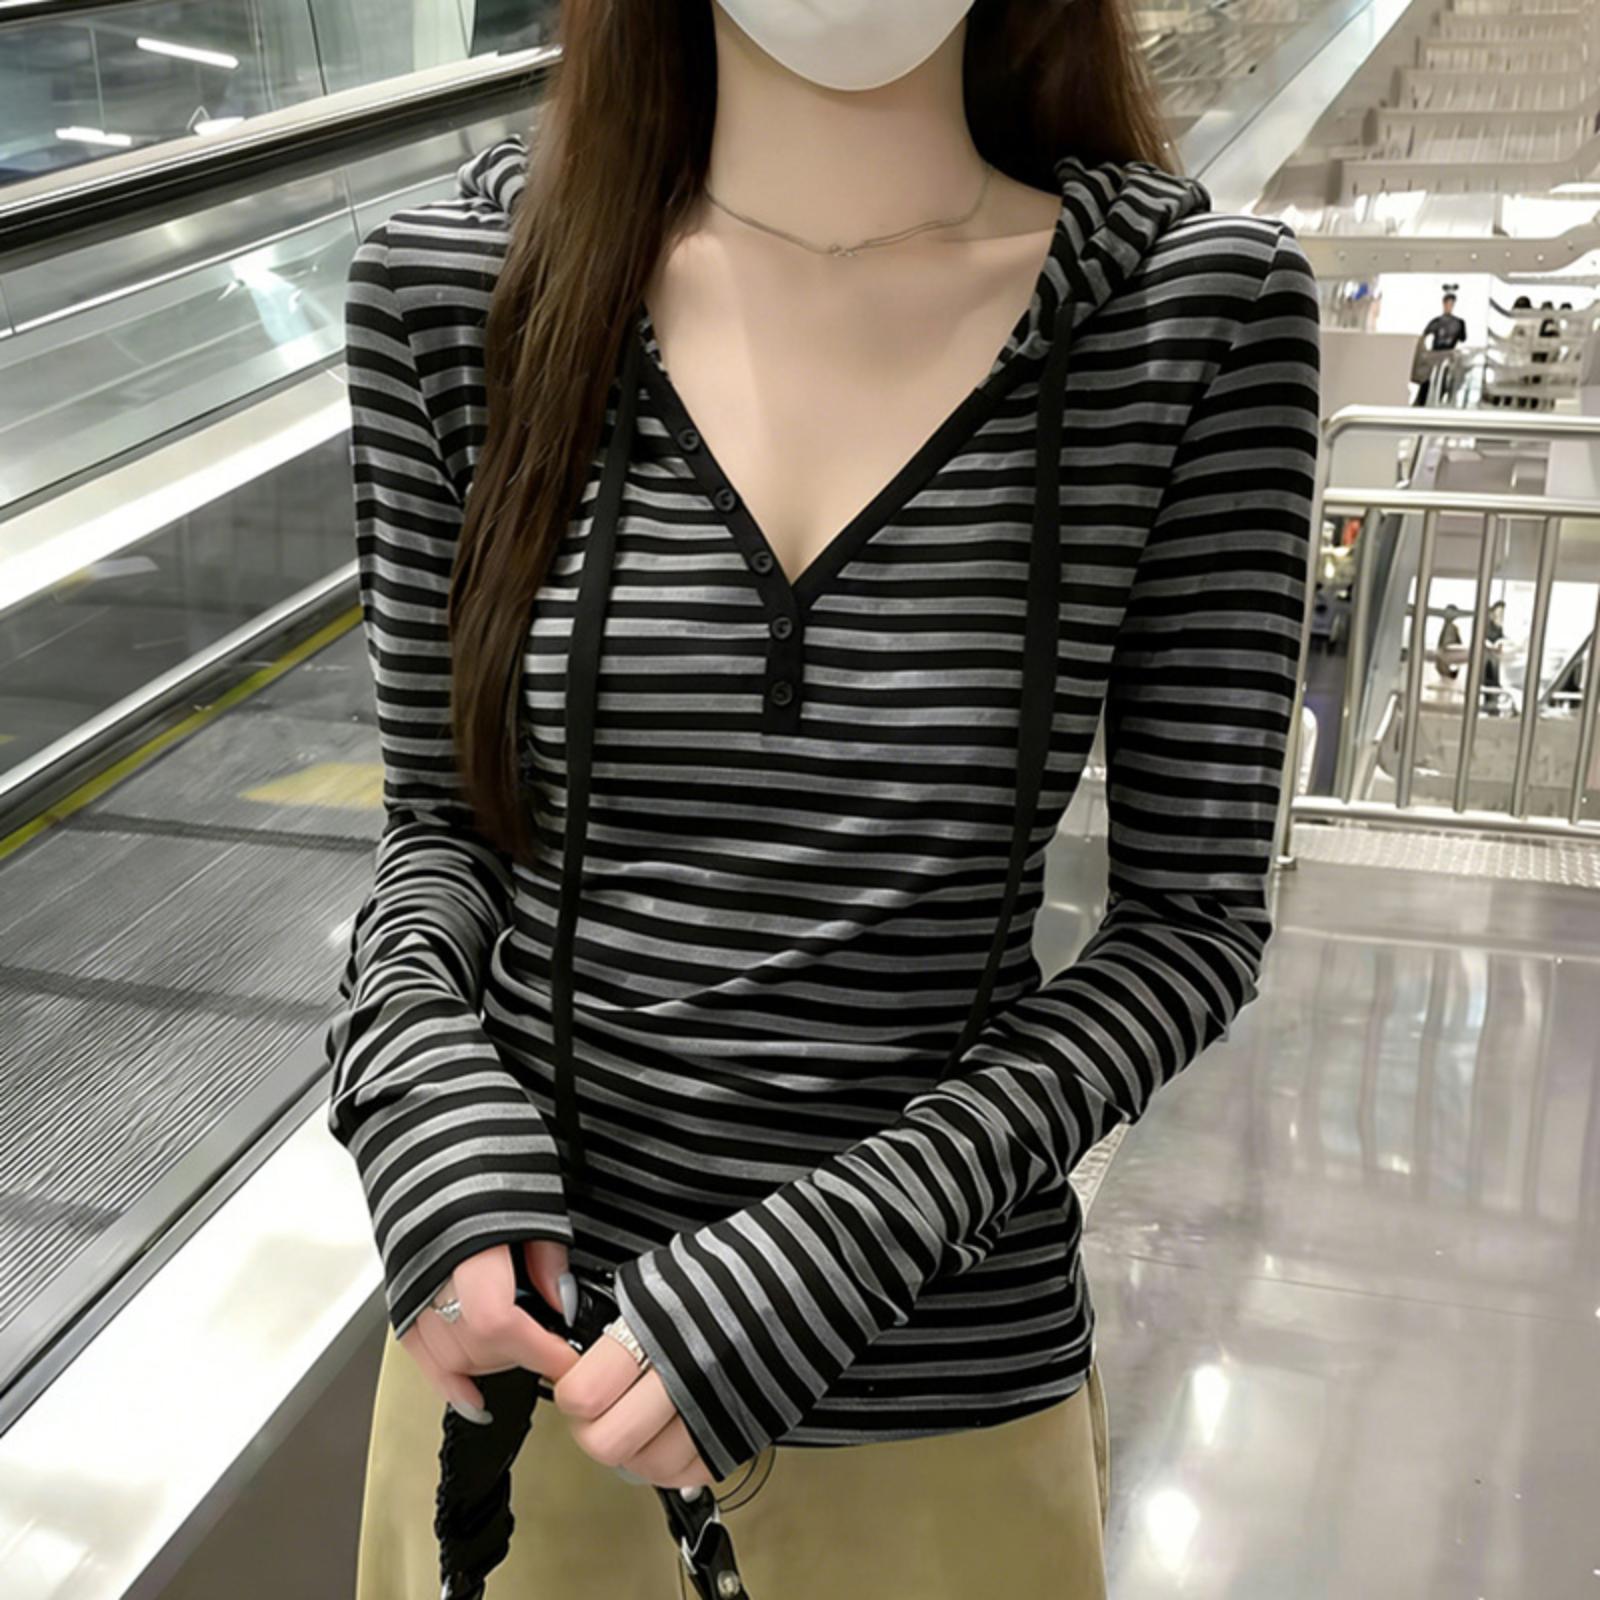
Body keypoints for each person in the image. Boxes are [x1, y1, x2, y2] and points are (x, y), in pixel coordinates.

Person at [324, 2, 1322, 1594]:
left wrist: (830, 1255)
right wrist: (419, 1112)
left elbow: (1190, 926)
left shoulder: (1193, 316)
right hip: (525, 1383)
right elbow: (441, 835)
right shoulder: (457, 293)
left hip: (939, 1418)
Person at [1414, 289, 1467, 405]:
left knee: (1443, 382)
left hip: (1448, 356)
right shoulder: (1436, 322)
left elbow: (1463, 339)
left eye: (1451, 304)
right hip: (1434, 357)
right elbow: (1423, 337)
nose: (1449, 306)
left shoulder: (1459, 323)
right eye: (1447, 303)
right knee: (1427, 383)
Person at [1482, 599, 1508, 714]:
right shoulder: (1487, 625)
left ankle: (1494, 702)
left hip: (1498, 656)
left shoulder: (1501, 627)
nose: (1500, 616)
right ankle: (1490, 702)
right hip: (1489, 656)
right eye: (1499, 613)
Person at [1436, 603, 1464, 682]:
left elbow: (1448, 647)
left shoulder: (1450, 628)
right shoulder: (1450, 627)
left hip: (1447, 665)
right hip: (1447, 665)